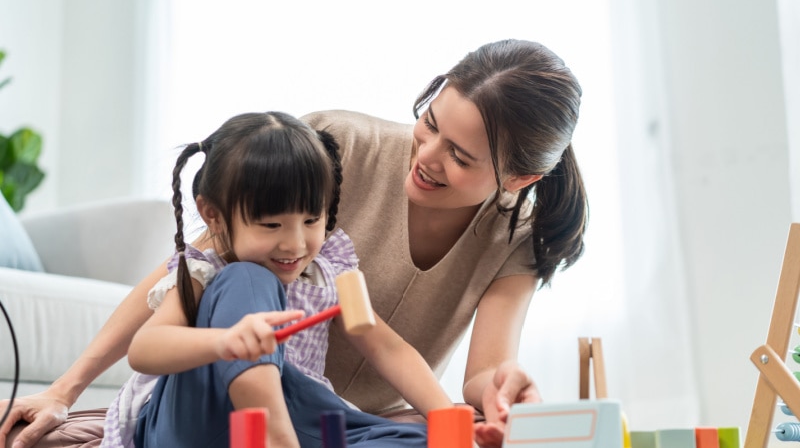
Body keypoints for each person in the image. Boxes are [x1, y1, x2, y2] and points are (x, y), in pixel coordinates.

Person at [0, 39, 587, 448]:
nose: (426, 157)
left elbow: (407, 353)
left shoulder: (340, 267)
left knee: (428, 435)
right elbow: (172, 295)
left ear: (519, 179)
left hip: (327, 417)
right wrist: (63, 389)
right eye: (429, 124)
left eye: (459, 157)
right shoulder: (333, 151)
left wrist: (470, 414)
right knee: (247, 279)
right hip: (216, 408)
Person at [117, 111, 453, 448]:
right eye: (271, 225)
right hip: (197, 423)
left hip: (295, 418)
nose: (295, 244)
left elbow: (388, 348)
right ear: (213, 215)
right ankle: (273, 434)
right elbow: (144, 350)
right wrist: (222, 343)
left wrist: (448, 420)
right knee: (249, 277)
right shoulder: (205, 270)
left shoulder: (328, 276)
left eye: (311, 220)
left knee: (420, 437)